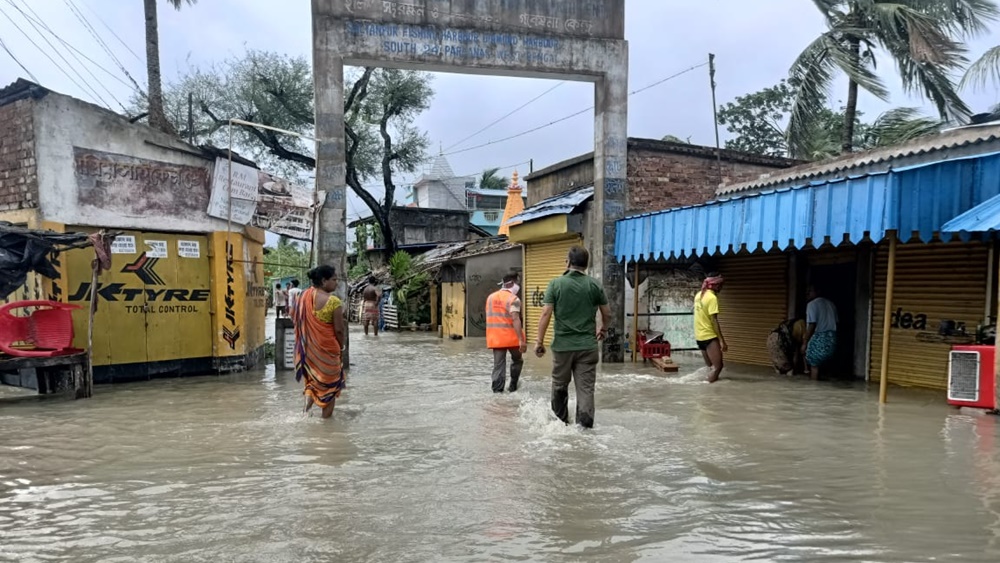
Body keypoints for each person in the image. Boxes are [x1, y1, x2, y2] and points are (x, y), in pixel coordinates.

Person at [535, 246, 610, 429]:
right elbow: (607, 314)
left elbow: (546, 314)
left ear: (568, 262)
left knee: (560, 385)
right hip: (588, 346)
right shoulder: (594, 285)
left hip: (563, 347)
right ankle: (584, 428)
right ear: (586, 264)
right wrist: (604, 329)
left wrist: (539, 341)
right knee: (586, 389)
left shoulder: (556, 284)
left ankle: (559, 426)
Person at [293, 265, 346, 418]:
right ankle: (326, 424)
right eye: (334, 279)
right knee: (330, 386)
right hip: (328, 353)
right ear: (324, 281)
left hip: (308, 351)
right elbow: (339, 330)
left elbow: (295, 319)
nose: (337, 283)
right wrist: (341, 348)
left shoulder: (302, 297)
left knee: (313, 381)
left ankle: (305, 413)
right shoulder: (333, 302)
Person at [486, 272, 526, 393]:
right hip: (512, 339)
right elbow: (515, 318)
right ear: (512, 283)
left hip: (496, 339)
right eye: (518, 283)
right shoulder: (514, 299)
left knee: (498, 366)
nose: (519, 286)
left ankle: (497, 393)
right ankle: (513, 386)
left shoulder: (490, 298)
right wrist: (521, 340)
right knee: (517, 360)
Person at [694, 273, 727, 383]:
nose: (721, 287)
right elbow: (714, 320)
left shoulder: (698, 295)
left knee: (710, 366)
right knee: (718, 367)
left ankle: (709, 390)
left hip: (699, 336)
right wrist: (722, 341)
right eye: (720, 285)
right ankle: (707, 389)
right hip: (709, 336)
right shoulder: (712, 298)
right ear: (715, 285)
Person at [802, 284, 838, 380]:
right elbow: (837, 323)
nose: (807, 293)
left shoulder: (811, 305)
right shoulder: (831, 304)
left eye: (810, 290)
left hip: (819, 338)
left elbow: (812, 325)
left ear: (818, 292)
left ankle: (814, 389)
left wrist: (805, 343)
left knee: (814, 366)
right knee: (827, 366)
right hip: (832, 339)